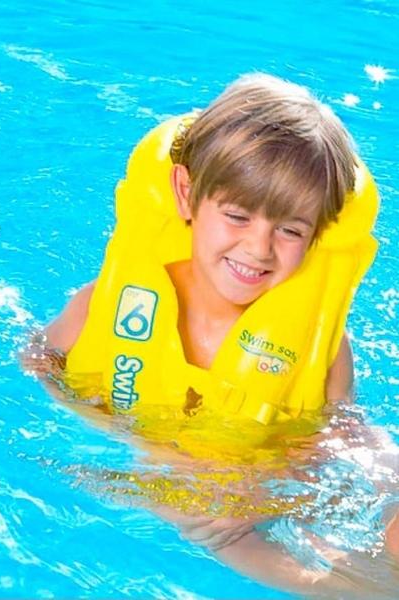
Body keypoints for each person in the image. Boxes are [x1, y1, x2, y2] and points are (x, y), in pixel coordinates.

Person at [22, 73, 399, 596]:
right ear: (186, 193)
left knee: (388, 478)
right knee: (209, 523)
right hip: (158, 482)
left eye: (290, 230)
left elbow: (332, 439)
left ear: (317, 232)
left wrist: (268, 492)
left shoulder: (322, 347)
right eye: (238, 216)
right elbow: (38, 362)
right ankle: (347, 589)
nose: (259, 249)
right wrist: (151, 452)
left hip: (257, 476)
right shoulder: (106, 306)